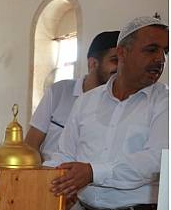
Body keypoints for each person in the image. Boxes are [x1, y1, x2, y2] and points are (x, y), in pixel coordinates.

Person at [43, 17, 169, 210]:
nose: (161, 59)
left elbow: (156, 160)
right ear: (122, 52)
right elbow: (63, 154)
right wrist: (35, 184)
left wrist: (92, 172)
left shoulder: (166, 103)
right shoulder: (86, 102)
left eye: (165, 51)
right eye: (151, 49)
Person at [25, 30, 120, 162]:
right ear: (93, 64)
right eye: (115, 60)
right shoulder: (59, 92)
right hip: (47, 175)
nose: (121, 68)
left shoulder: (120, 104)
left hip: (90, 180)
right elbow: (31, 144)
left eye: (124, 62)